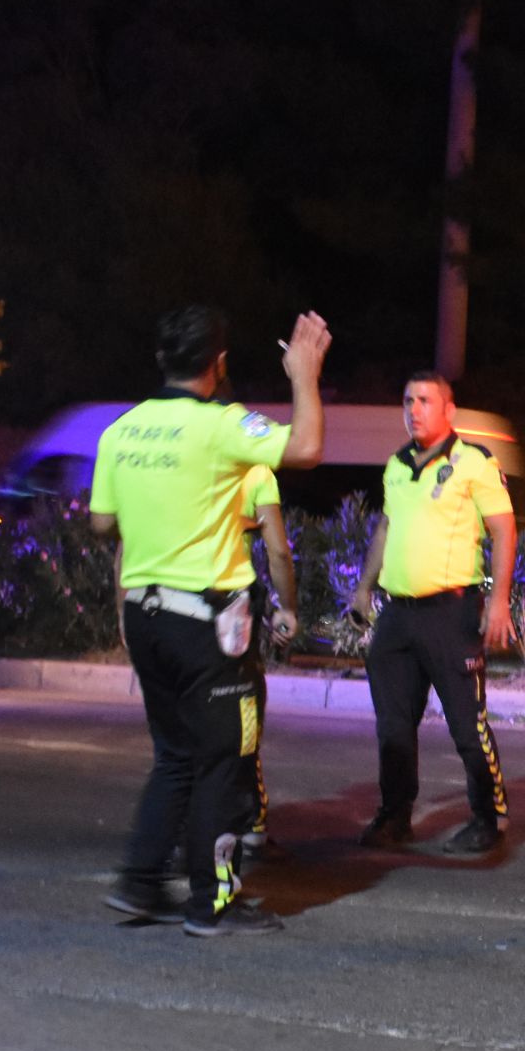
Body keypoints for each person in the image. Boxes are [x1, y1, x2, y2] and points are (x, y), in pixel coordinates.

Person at [90, 305, 331, 936]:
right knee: (224, 760)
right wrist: (303, 373)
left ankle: (139, 885)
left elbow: (101, 523)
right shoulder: (222, 425)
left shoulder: (122, 430)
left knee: (174, 755)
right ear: (218, 364)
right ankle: (212, 902)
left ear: (161, 358)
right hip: (206, 628)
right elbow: (304, 447)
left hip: (145, 617)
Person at [347, 371, 517, 856]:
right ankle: (395, 815)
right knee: (393, 727)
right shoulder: (397, 465)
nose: (414, 408)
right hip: (398, 615)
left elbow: (504, 529)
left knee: (468, 725)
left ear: (449, 410)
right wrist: (364, 588)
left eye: (425, 400)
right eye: (408, 400)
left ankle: (489, 816)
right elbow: (385, 526)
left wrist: (500, 599)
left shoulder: (474, 462)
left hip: (451, 611)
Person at [230, 463, 300, 869]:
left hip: (169, 605)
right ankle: (251, 823)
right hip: (230, 603)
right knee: (244, 710)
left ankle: (180, 826)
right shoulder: (254, 468)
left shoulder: (173, 452)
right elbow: (278, 550)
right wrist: (287, 607)